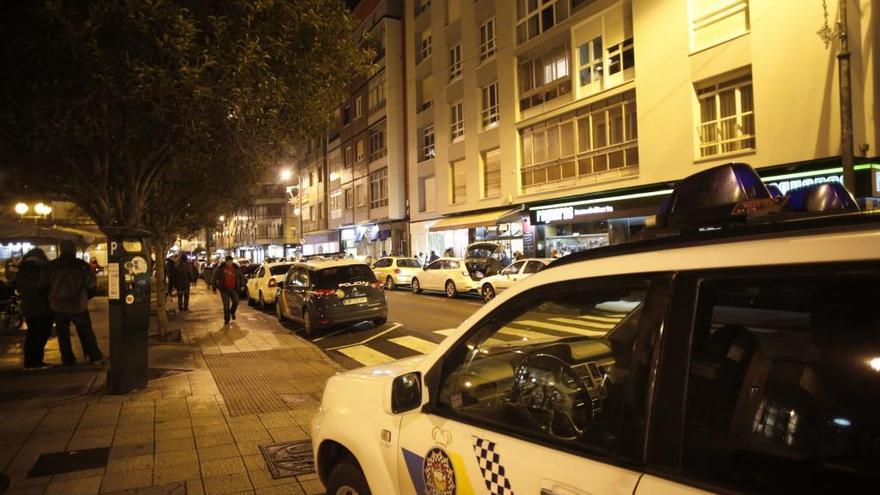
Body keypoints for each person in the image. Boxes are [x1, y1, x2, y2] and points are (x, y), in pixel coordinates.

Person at [40, 240, 104, 368]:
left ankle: (68, 361)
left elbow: (42, 286)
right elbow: (92, 286)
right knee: (85, 332)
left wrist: (51, 298)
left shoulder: (50, 267)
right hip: (78, 304)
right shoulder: (82, 266)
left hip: (57, 305)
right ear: (74, 250)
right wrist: (85, 297)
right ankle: (94, 356)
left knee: (63, 334)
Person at [12, 248, 54, 370]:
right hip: (43, 306)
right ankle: (36, 362)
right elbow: (46, 288)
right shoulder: (42, 270)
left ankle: (30, 361)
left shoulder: (21, 271)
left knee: (32, 334)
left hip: (28, 307)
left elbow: (16, 286)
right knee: (41, 334)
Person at [212, 255, 246, 324]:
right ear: (226, 262)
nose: (229, 263)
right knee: (226, 306)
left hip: (233, 289)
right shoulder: (221, 268)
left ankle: (232, 312)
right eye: (228, 262)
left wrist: (242, 284)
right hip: (224, 289)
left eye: (230, 261)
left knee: (236, 302)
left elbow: (241, 276)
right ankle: (226, 319)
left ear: (232, 261)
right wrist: (214, 288)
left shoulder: (236, 268)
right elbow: (215, 277)